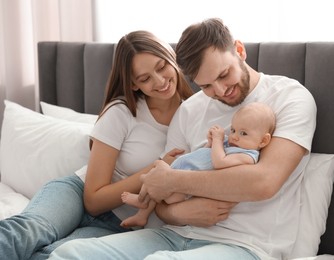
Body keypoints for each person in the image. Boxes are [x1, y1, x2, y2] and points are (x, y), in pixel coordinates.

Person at [49, 17, 317, 260]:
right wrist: (177, 212)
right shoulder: (190, 109)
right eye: (206, 85)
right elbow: (162, 202)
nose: (221, 90)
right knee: (69, 254)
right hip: (174, 234)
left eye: (224, 75)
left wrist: (171, 180)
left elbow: (264, 182)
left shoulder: (290, 98)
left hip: (245, 245)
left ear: (239, 50)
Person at [0, 30, 193, 260]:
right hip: (76, 196)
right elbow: (93, 201)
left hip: (122, 224)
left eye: (161, 67)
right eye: (145, 78)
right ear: (133, 85)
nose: (159, 81)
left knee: (52, 256)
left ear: (171, 57)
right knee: (25, 233)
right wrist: (156, 169)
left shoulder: (195, 114)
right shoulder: (122, 112)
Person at [120, 102, 276, 228]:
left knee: (160, 183)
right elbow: (206, 155)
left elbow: (219, 162)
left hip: (184, 187)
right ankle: (142, 215)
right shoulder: (233, 144)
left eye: (243, 133)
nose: (234, 136)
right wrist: (210, 143)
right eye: (233, 129)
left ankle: (143, 202)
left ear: (263, 141)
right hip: (182, 169)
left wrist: (217, 140)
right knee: (157, 170)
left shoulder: (248, 156)